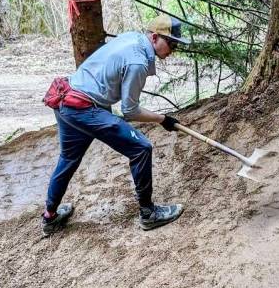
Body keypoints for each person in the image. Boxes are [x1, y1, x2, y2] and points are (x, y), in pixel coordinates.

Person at [41, 15, 191, 235]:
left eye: (176, 45)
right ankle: (148, 214)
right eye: (171, 43)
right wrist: (163, 119)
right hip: (83, 107)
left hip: (66, 101)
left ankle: (50, 217)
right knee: (141, 148)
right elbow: (130, 111)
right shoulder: (138, 62)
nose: (173, 49)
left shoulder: (133, 37)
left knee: (68, 158)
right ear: (155, 37)